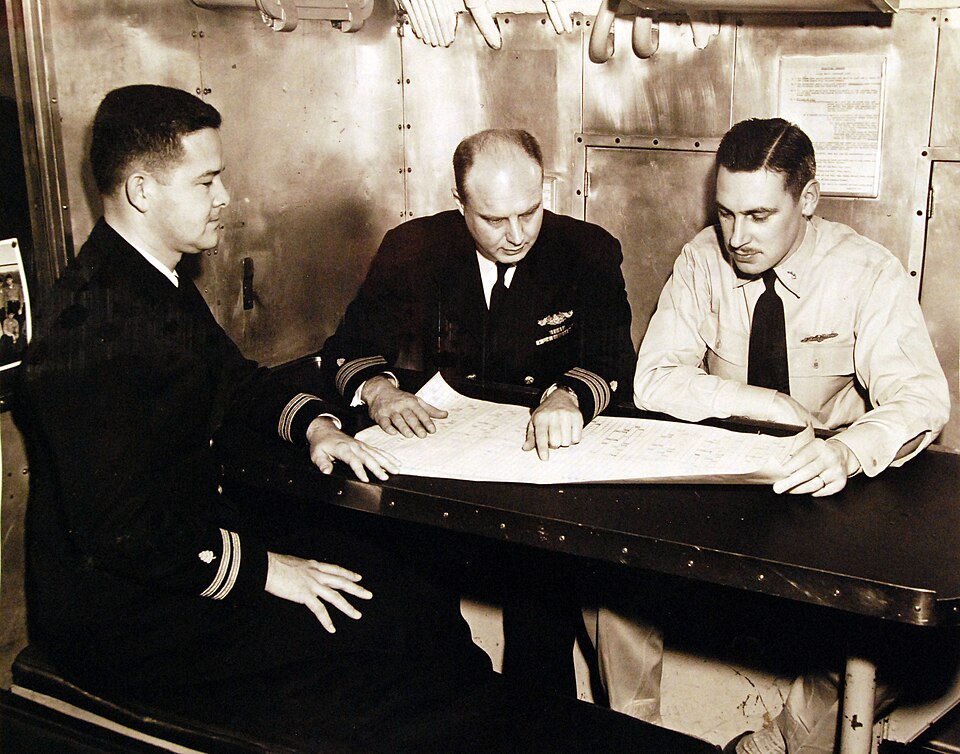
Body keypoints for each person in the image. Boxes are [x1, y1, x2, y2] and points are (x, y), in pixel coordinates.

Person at [16, 84, 712, 753]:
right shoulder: (94, 325)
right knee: (368, 652)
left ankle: (486, 718)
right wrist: (269, 572)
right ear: (142, 190)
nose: (225, 197)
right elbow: (121, 532)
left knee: (406, 598)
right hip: (129, 618)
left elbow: (235, 384)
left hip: (181, 557)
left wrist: (318, 427)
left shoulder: (148, 281)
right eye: (207, 181)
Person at [320, 127, 662, 721]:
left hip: (541, 469)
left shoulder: (588, 250)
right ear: (460, 205)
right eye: (494, 219)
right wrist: (377, 390)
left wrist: (570, 397)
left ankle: (541, 723)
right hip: (443, 461)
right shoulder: (412, 249)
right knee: (415, 608)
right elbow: (349, 346)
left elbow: (612, 359)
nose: (517, 234)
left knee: (541, 611)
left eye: (529, 212)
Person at [633, 117, 950, 753]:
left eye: (758, 215)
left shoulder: (867, 272)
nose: (738, 237)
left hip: (826, 489)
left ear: (806, 201)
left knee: (892, 641)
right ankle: (630, 728)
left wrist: (846, 448)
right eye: (725, 214)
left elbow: (922, 398)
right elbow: (653, 380)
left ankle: (787, 739)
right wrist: (764, 401)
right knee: (608, 579)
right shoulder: (703, 258)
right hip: (723, 483)